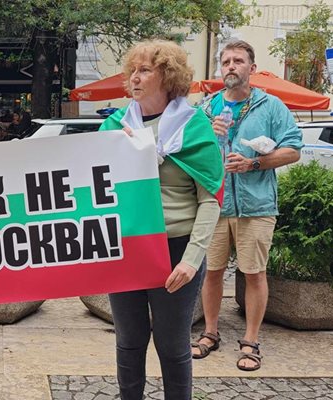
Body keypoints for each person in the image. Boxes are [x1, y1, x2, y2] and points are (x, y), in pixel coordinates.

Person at [99, 39, 224, 399]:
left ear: (167, 76)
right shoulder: (113, 126)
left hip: (177, 249)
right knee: (129, 340)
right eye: (132, 71)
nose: (134, 79)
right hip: (128, 247)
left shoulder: (195, 127)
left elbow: (210, 199)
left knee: (171, 344)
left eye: (145, 70)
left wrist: (192, 259)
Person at [192, 40, 302, 372]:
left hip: (256, 206)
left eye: (238, 61)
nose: (231, 66)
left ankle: (251, 341)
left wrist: (253, 163)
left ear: (251, 69)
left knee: (253, 274)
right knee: (210, 273)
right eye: (225, 61)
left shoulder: (271, 107)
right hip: (214, 204)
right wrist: (207, 140)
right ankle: (210, 333)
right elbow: (188, 156)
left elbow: (294, 149)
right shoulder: (206, 109)